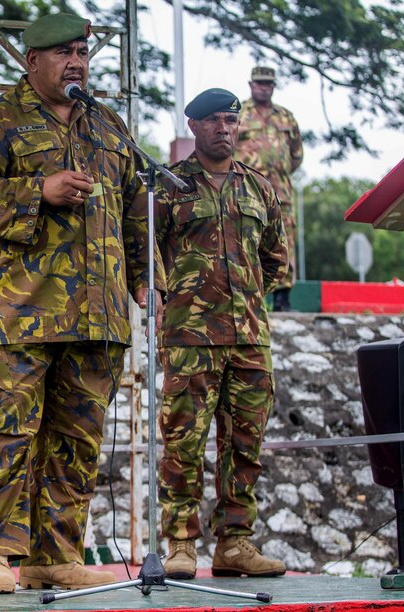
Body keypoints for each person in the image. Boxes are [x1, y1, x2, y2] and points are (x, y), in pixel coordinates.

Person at [0, 12, 162, 595]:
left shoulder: (109, 126)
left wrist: (146, 280)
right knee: (9, 432)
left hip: (100, 313)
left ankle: (54, 554)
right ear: (30, 60)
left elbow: (138, 208)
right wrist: (36, 190)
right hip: (21, 312)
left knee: (77, 439)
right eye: (63, 53)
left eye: (82, 52)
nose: (76, 62)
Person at [155, 88, 290, 579]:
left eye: (230, 121)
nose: (223, 129)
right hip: (189, 339)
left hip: (250, 338)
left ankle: (235, 543)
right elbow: (140, 250)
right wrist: (177, 296)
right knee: (183, 444)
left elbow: (275, 258)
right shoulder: (168, 187)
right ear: (193, 126)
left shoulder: (259, 188)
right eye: (213, 121)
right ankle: (181, 544)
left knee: (244, 446)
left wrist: (246, 299)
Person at [235, 66, 303, 312]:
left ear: (273, 87)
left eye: (268, 84)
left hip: (280, 192)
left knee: (284, 242)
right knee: (246, 240)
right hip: (246, 191)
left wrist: (278, 173)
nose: (263, 88)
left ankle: (283, 297)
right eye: (259, 83)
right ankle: (249, 297)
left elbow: (296, 156)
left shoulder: (286, 117)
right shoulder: (238, 113)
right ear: (251, 84)